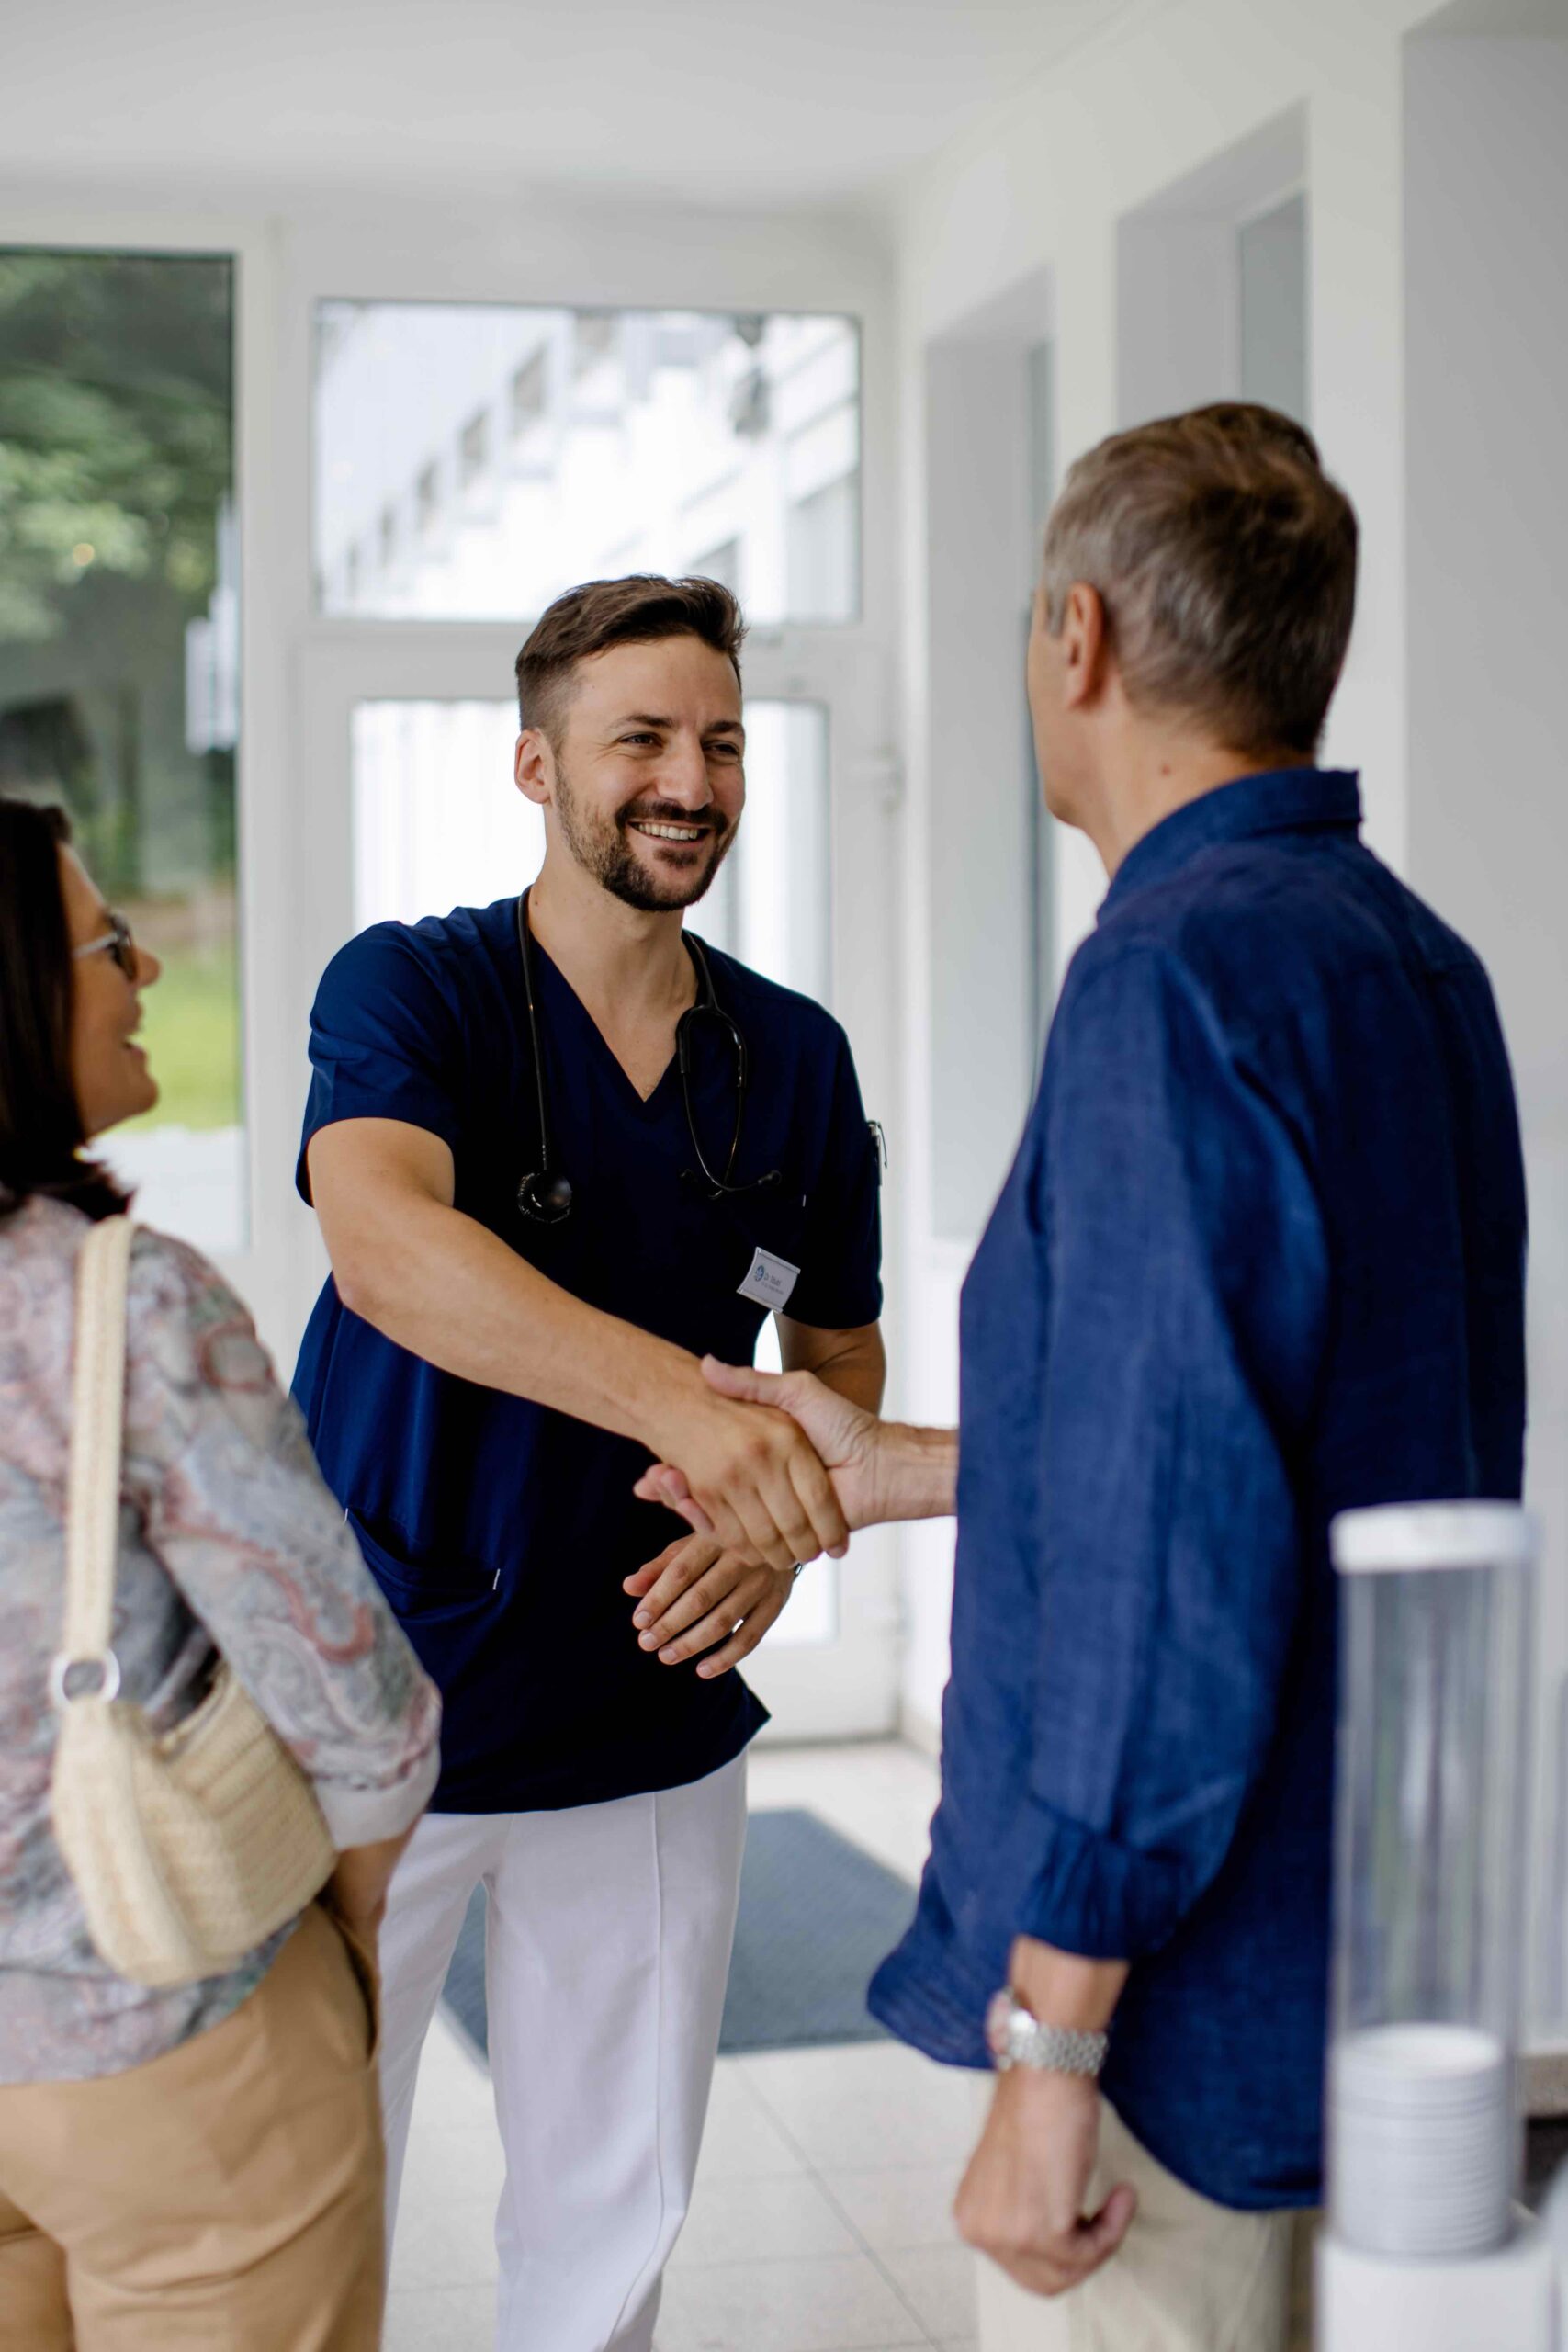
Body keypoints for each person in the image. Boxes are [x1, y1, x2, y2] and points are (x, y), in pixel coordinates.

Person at [637, 407, 1527, 2352]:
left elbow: (1168, 1569)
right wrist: (890, 1467)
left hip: (1169, 2024)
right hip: (1355, 1957)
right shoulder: (1411, 965)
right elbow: (1275, 1457)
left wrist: (1050, 2039)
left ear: (1078, 639)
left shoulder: (1169, 981)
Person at [292, 572, 885, 2350]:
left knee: (609, 2230)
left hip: (647, 1705)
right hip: (385, 1700)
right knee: (313, 2202)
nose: (686, 778)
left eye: (718, 740)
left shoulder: (789, 1058)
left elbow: (837, 1361)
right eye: (640, 739)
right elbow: (382, 1240)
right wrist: (685, 1409)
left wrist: (777, 1540)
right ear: (539, 768)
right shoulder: (416, 986)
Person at [0, 796, 442, 2352]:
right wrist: (354, 1953)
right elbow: (357, 1705)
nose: (143, 977)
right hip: (166, 2040)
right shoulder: (124, 1306)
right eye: (109, 943)